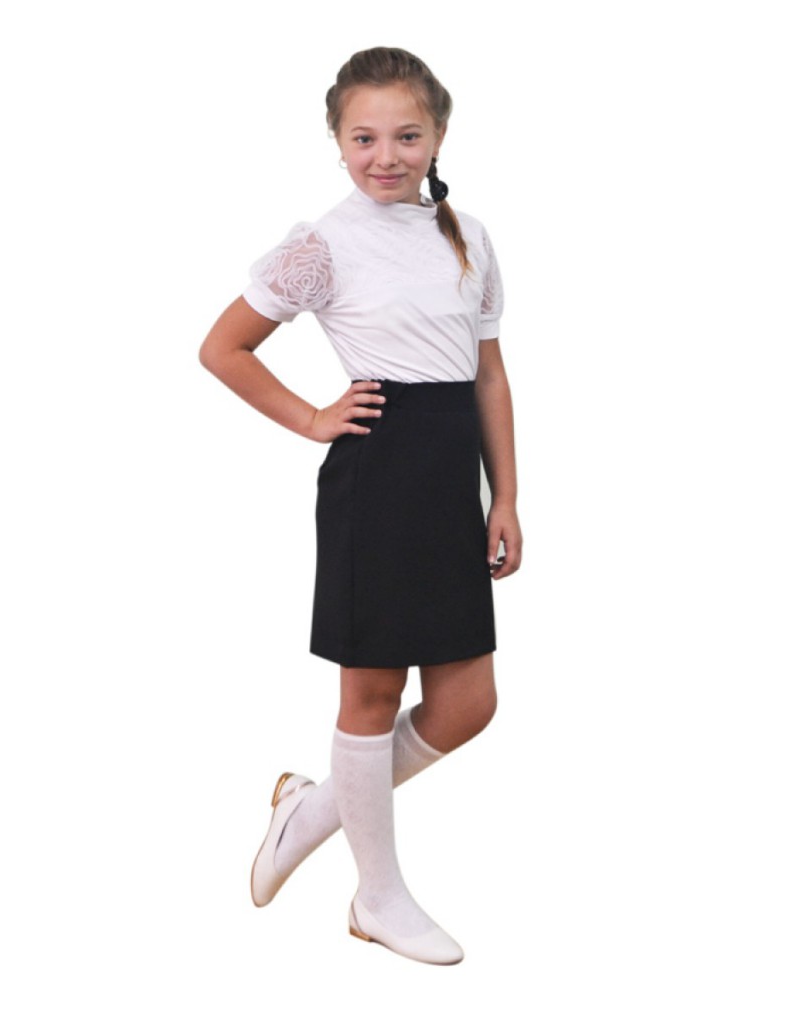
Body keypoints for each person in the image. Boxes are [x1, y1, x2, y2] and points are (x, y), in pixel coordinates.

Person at [199, 46, 521, 965]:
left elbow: (489, 377)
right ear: (338, 142)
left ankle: (309, 812)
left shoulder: (469, 236)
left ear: (439, 135)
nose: (386, 155)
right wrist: (311, 417)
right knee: (373, 693)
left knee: (468, 703)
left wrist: (506, 495)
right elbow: (223, 348)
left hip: (451, 480)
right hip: (376, 477)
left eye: (406, 136)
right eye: (365, 138)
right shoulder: (324, 244)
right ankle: (377, 897)